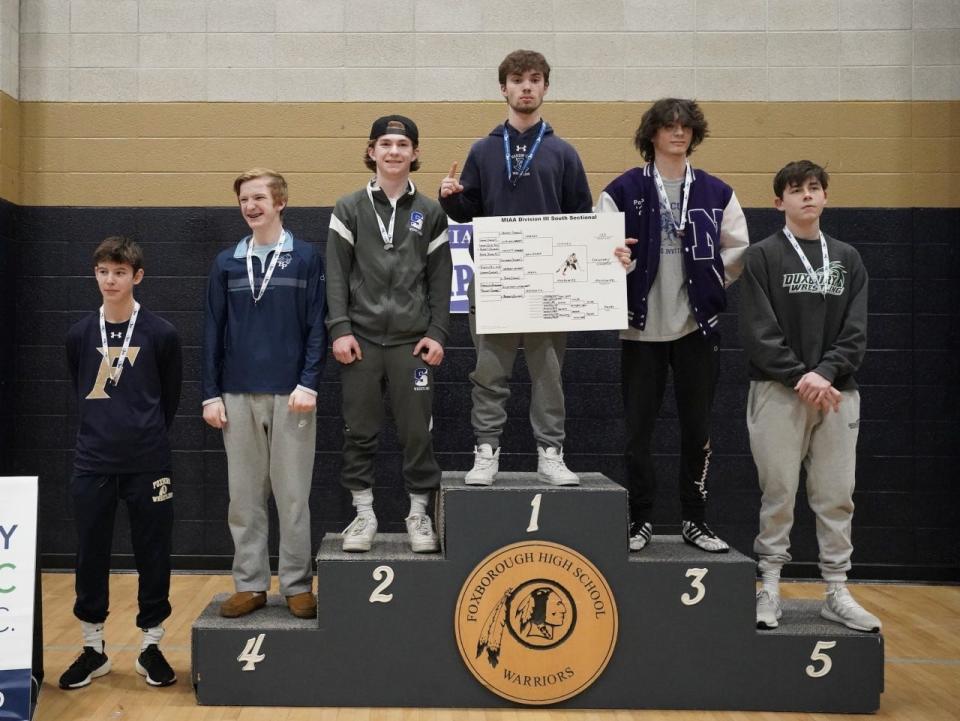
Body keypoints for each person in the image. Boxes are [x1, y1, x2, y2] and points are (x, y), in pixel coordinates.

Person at [599, 98, 749, 553]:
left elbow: (738, 246)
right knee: (638, 433)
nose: (678, 133)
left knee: (697, 429)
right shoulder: (622, 190)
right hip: (640, 331)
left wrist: (710, 284)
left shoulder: (715, 191)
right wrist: (616, 261)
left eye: (686, 127)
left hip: (695, 329)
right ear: (652, 134)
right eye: (668, 126)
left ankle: (695, 519)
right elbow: (600, 249)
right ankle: (640, 519)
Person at [440, 49, 593, 486]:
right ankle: (487, 452)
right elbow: (468, 211)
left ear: (545, 87)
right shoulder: (483, 149)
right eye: (517, 79)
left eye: (534, 79)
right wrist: (451, 196)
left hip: (548, 282)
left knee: (548, 373)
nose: (526, 86)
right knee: (489, 372)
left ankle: (550, 453)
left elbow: (580, 217)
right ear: (503, 87)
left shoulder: (563, 152)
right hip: (497, 277)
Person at [741, 160, 880, 633]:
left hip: (838, 394)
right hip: (777, 392)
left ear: (825, 197)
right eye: (796, 190)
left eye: (814, 188)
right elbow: (759, 333)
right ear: (778, 201)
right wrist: (802, 376)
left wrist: (825, 373)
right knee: (777, 493)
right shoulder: (761, 256)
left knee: (837, 495)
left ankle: (836, 590)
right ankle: (771, 589)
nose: (806, 195)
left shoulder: (848, 257)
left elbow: (856, 333)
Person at [202, 169, 326, 619]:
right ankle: (250, 584)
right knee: (244, 498)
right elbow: (212, 331)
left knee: (293, 496)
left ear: (280, 202)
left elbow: (318, 327)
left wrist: (309, 381)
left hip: (293, 394)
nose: (250, 206)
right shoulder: (227, 263)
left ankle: (295, 584)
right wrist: (209, 394)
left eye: (258, 198)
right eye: (243, 200)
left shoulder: (307, 258)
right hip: (236, 395)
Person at [326, 115, 451, 553]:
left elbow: (440, 278)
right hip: (359, 342)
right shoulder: (349, 207)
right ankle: (363, 515)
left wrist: (437, 331)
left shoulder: (430, 211)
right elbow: (336, 275)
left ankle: (418, 514)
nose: (394, 151)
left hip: (411, 343)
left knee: (417, 430)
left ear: (415, 153)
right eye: (386, 143)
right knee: (358, 430)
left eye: (402, 144)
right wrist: (340, 328)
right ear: (371, 151)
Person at [61, 236, 182, 689]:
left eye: (119, 272)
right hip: (93, 462)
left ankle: (151, 645)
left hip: (149, 462)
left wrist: (142, 434)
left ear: (137, 277)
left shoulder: (161, 333)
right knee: (90, 552)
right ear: (95, 275)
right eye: (103, 272)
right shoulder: (78, 334)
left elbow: (169, 398)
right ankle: (93, 648)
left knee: (153, 552)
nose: (110, 280)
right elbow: (77, 388)